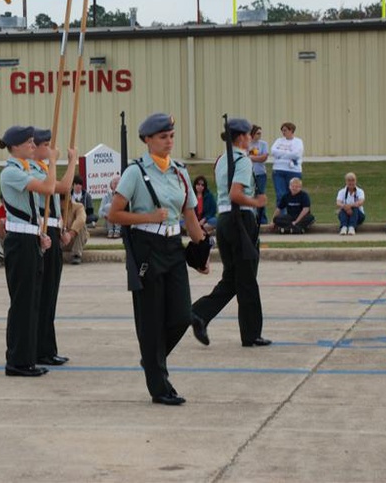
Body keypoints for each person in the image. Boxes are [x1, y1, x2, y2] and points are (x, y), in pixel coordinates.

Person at [106, 113, 210, 406]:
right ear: (147, 140)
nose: (169, 142)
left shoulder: (179, 171)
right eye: (163, 137)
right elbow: (113, 214)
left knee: (180, 315)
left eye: (171, 136)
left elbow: (190, 214)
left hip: (174, 246)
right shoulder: (135, 172)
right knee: (151, 319)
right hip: (147, 246)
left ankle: (152, 358)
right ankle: (159, 385)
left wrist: (201, 251)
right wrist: (148, 216)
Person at [193, 118, 271, 348]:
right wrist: (256, 202)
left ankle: (198, 313)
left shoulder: (220, 160)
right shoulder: (243, 161)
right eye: (248, 135)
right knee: (247, 280)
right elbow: (236, 193)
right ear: (240, 138)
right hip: (241, 219)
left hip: (225, 220)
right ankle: (251, 333)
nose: (251, 139)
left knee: (232, 279)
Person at [0, 125, 61, 377]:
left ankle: (28, 356)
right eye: (29, 142)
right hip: (19, 241)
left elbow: (35, 210)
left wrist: (40, 235)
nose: (34, 146)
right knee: (23, 302)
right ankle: (17, 361)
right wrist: (53, 162)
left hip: (30, 238)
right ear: (16, 146)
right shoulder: (11, 172)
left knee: (33, 302)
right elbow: (48, 188)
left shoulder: (24, 169)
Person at [31, 128, 77, 368]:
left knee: (51, 295)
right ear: (35, 148)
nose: (50, 148)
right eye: (46, 144)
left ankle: (48, 349)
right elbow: (59, 188)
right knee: (44, 294)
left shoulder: (43, 168)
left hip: (53, 229)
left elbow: (63, 192)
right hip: (42, 230)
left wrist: (72, 162)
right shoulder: (34, 169)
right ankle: (40, 349)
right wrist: (64, 162)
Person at [270, 122, 303, 207]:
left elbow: (296, 154)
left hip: (293, 170)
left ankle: (292, 215)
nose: (283, 132)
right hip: (278, 170)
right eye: (282, 131)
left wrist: (281, 155)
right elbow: (273, 151)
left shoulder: (298, 142)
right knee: (280, 194)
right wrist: (288, 154)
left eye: (285, 130)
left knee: (293, 194)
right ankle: (281, 216)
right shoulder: (278, 141)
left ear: (291, 130)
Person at [59, 193, 89, 265]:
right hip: (59, 241)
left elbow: (81, 219)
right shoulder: (52, 209)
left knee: (82, 226)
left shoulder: (78, 206)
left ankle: (76, 254)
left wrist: (71, 234)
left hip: (74, 240)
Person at [249, 125, 270, 224]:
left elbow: (264, 158)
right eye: (258, 133)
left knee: (260, 195)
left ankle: (262, 219)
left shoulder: (263, 144)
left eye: (260, 133)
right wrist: (257, 157)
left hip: (261, 173)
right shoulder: (246, 144)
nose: (259, 135)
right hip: (249, 174)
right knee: (250, 196)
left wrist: (251, 157)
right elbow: (244, 156)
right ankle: (251, 218)